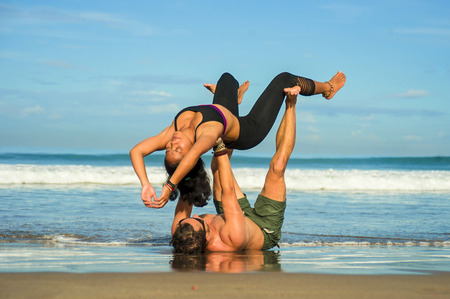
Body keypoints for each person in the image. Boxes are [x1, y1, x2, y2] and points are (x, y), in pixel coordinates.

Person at [130, 71, 346, 209]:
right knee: (284, 79)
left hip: (223, 111)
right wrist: (169, 186)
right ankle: (329, 88)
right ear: (188, 153)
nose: (171, 144)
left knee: (226, 78)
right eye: (177, 149)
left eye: (168, 149)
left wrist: (145, 184)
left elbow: (136, 151)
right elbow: (195, 155)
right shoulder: (206, 135)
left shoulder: (172, 132)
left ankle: (235, 99)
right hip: (248, 130)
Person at [170, 88, 302, 253]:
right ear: (208, 239)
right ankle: (291, 104)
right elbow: (228, 192)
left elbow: (187, 193)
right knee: (277, 167)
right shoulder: (232, 239)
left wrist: (183, 169)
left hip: (234, 216)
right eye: (201, 222)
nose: (196, 216)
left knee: (216, 167)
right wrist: (219, 147)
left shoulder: (182, 232)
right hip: (264, 228)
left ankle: (230, 107)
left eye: (190, 219)